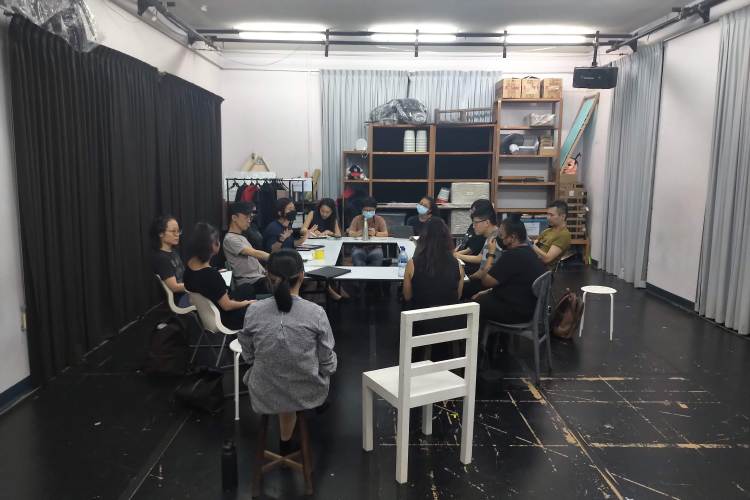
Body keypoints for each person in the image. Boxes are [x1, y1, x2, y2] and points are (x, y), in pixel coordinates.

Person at [238, 249, 337, 445]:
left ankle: (285, 440)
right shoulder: (316, 313)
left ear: (268, 277)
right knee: (318, 366)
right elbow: (327, 361)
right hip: (307, 390)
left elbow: (247, 352)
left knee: (274, 372)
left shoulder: (254, 310)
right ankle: (290, 434)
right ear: (302, 276)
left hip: (264, 392)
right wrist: (324, 370)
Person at [403, 218, 465, 359]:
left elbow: (407, 296)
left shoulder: (412, 263)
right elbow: (458, 296)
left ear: (423, 238)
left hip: (422, 321)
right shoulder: (457, 264)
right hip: (450, 321)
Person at [473, 218, 547, 326]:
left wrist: (491, 253)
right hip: (530, 307)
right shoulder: (530, 252)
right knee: (483, 296)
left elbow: (486, 282)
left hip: (517, 313)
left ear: (512, 237)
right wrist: (487, 292)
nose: (499, 239)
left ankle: (480, 336)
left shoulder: (512, 256)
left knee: (475, 304)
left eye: (501, 235)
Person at [184, 222, 253, 330]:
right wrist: (246, 303)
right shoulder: (211, 275)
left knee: (247, 288)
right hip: (223, 319)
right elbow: (227, 306)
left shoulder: (189, 265)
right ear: (213, 245)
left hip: (207, 312)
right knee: (255, 305)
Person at [223, 202, 270, 300]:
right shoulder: (230, 239)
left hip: (258, 279)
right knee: (286, 283)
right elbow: (254, 253)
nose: (249, 221)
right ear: (234, 218)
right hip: (251, 283)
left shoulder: (241, 237)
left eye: (250, 217)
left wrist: (265, 271)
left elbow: (254, 261)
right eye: (246, 217)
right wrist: (276, 258)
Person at [457, 204, 500, 299]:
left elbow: (482, 273)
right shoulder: (490, 236)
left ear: (487, 222)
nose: (473, 226)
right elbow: (481, 257)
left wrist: (467, 278)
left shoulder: (494, 240)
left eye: (476, 223)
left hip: (488, 284)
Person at [150, 215, 190, 307]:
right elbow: (174, 287)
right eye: (173, 231)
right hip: (181, 299)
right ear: (161, 233)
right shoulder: (161, 258)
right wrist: (198, 285)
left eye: (178, 231)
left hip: (188, 294)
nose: (177, 235)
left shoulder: (173, 252)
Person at [454, 199, 494, 275]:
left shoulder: (488, 235)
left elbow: (475, 253)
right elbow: (464, 242)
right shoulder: (475, 226)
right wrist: (454, 251)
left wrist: (456, 255)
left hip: (470, 266)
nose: (470, 211)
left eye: (473, 209)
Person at [347, 196, 389, 266]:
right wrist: (360, 233)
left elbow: (385, 233)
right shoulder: (356, 219)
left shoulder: (379, 219)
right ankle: (360, 273)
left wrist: (375, 233)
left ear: (375, 210)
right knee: (357, 255)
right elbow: (350, 233)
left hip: (375, 248)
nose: (368, 212)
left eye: (370, 210)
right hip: (359, 247)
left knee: (378, 255)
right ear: (362, 210)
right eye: (366, 210)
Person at [532, 200, 572, 269]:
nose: (548, 217)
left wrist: (531, 245)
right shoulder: (546, 231)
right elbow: (535, 245)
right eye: (547, 214)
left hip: (542, 270)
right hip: (533, 263)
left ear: (563, 216)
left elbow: (547, 259)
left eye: (551, 215)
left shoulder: (564, 235)